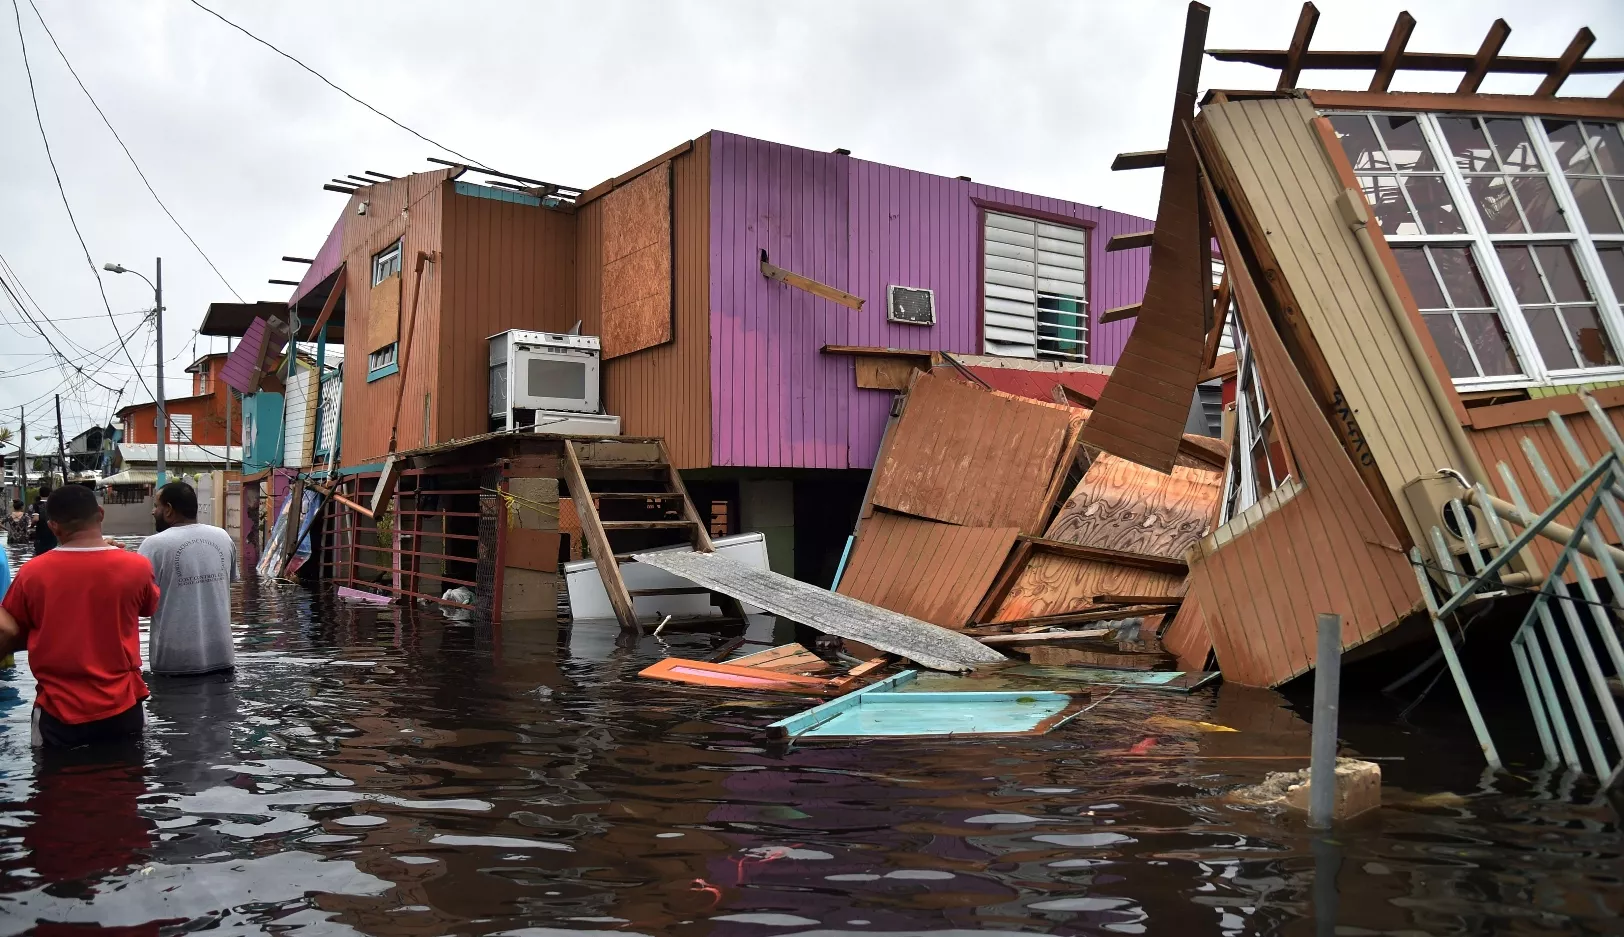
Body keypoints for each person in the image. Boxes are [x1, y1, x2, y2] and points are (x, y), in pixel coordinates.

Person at [0, 485, 158, 748]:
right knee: (127, 784)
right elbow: (146, 608)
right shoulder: (137, 567)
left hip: (58, 712)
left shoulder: (32, 574)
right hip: (123, 706)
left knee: (54, 785)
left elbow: (10, 630)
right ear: (101, 514)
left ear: (53, 527)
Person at [139, 481, 237, 676]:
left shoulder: (154, 545)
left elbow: (139, 602)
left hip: (175, 665)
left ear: (168, 509)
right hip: (223, 659)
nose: (153, 512)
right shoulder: (223, 537)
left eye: (156, 506)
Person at [30, 484, 56, 555]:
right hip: (53, 533)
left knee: (40, 555)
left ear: (39, 494)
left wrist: (31, 526)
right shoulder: (54, 505)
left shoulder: (36, 505)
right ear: (50, 494)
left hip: (41, 533)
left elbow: (35, 519)